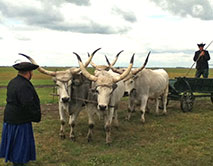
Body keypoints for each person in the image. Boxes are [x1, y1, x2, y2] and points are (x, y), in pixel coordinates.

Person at [0, 61, 41, 166]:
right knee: (20, 147)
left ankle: (16, 162)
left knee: (14, 145)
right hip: (20, 121)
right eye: (32, 71)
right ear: (29, 72)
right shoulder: (24, 85)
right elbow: (27, 104)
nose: (32, 74)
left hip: (10, 118)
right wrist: (35, 115)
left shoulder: (12, 82)